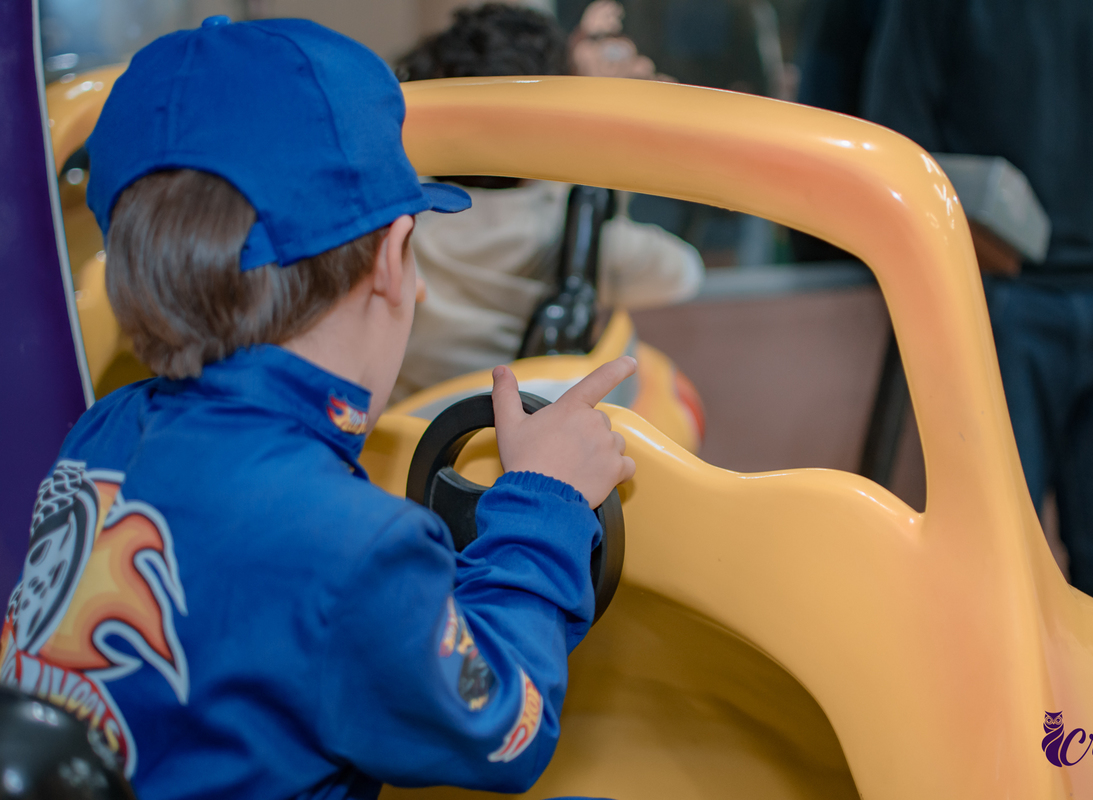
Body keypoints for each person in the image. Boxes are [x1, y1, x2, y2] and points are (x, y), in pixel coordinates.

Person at [0, 16, 636, 799]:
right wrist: (548, 503)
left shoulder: (97, 435)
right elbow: (507, 728)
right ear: (394, 263)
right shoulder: (358, 546)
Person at [863, 0, 1093, 642]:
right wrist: (963, 295)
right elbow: (894, 142)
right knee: (996, 571)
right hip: (998, 309)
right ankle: (1003, 747)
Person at [390, 3, 703, 402]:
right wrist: (607, 143)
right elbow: (682, 273)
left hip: (414, 434)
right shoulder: (561, 230)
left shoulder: (400, 221)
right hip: (522, 430)